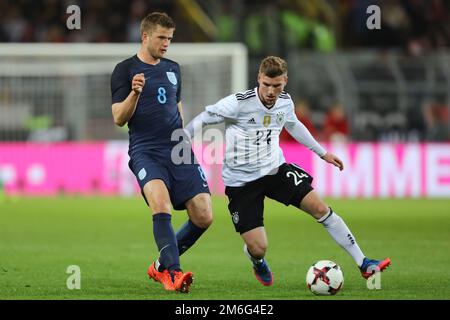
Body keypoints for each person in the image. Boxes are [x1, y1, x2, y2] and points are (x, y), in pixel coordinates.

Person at [186, 56, 390, 286]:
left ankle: (364, 263)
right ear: (258, 79)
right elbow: (205, 118)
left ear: (285, 82)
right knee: (259, 247)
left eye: (277, 86)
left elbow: (293, 125)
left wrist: (322, 153)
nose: (271, 91)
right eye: (266, 85)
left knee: (320, 208)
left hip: (275, 170)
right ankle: (257, 261)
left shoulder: (285, 102)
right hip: (241, 183)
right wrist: (181, 140)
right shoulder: (238, 103)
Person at [110, 12, 213, 293]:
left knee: (204, 215)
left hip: (177, 149)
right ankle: (174, 273)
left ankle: (160, 266)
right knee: (161, 204)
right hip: (145, 150)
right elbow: (119, 117)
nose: (167, 43)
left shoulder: (173, 68)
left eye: (170, 38)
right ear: (145, 36)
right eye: (162, 38)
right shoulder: (124, 70)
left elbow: (176, 108)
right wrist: (134, 93)